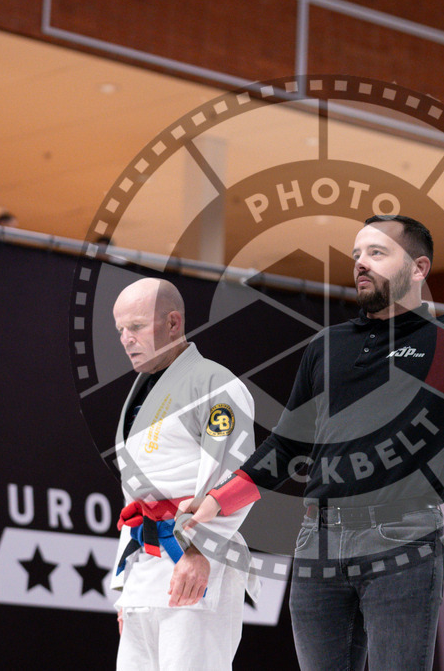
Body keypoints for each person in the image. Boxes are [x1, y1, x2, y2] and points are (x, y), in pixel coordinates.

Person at [181, 213, 444, 670]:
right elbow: (288, 447)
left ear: (418, 268)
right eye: (356, 255)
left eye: (377, 253)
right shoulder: (325, 346)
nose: (361, 264)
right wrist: (218, 499)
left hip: (402, 539)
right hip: (319, 541)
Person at [108, 277, 257, 670]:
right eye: (121, 330)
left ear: (173, 323)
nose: (126, 339)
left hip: (194, 558)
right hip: (145, 567)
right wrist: (124, 587)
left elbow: (235, 479)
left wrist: (201, 550)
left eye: (136, 327)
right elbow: (133, 499)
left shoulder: (214, 384)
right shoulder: (141, 391)